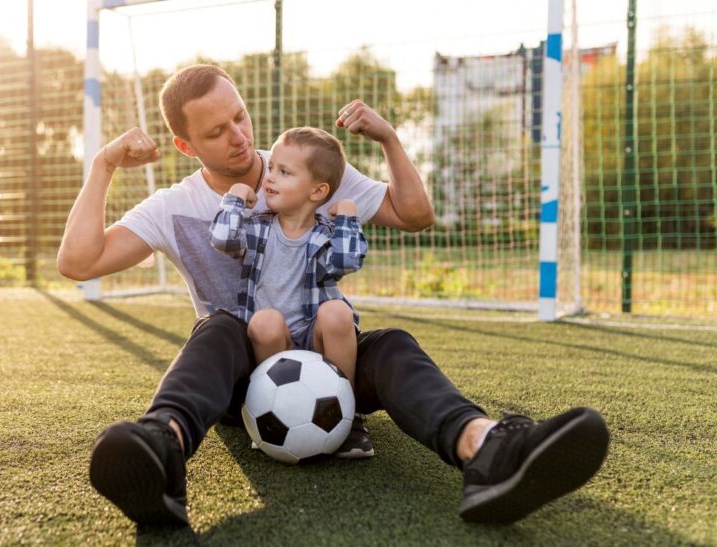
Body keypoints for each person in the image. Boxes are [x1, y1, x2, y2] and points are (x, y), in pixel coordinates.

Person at [57, 64, 609, 527]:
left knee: (390, 344)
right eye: (217, 131)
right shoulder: (172, 207)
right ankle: (161, 451)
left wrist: (390, 139)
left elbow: (414, 214)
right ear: (184, 145)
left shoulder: (305, 168)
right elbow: (77, 262)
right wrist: (104, 163)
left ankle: (487, 449)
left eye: (240, 116)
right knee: (219, 327)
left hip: (330, 362)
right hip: (241, 374)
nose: (240, 136)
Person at [209, 126, 372, 458]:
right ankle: (275, 411)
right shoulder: (256, 228)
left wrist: (348, 218)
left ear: (317, 191)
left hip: (315, 336)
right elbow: (223, 239)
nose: (270, 177)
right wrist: (237, 197)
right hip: (273, 341)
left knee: (338, 311)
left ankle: (350, 418)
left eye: (284, 172)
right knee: (265, 321)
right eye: (271, 168)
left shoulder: (326, 234)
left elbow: (347, 260)